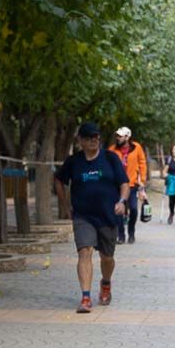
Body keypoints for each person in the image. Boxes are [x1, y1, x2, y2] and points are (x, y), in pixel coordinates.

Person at [55, 122, 128, 314]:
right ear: (80, 141)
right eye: (89, 138)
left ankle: (105, 283)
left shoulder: (110, 158)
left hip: (107, 216)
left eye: (96, 137)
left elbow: (124, 184)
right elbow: (58, 181)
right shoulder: (73, 162)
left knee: (107, 257)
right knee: (84, 251)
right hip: (83, 216)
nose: (93, 140)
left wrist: (121, 201)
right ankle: (85, 297)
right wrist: (65, 206)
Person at [108, 126, 149, 244]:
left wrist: (142, 180)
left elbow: (142, 163)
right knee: (118, 210)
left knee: (134, 209)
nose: (118, 138)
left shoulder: (137, 148)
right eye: (117, 136)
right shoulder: (112, 149)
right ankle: (120, 235)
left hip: (132, 184)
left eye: (120, 136)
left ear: (127, 137)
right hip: (117, 185)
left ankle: (131, 231)